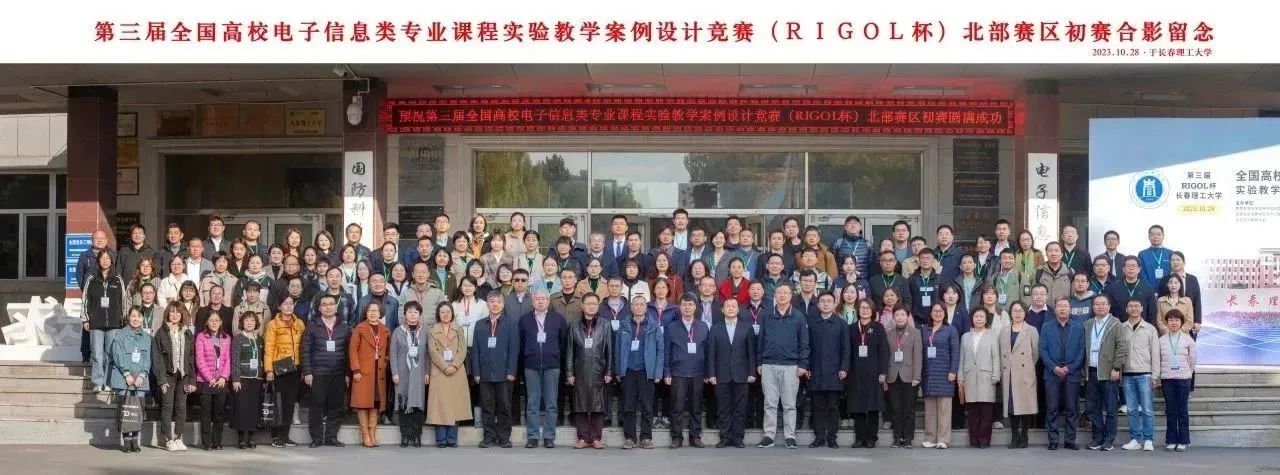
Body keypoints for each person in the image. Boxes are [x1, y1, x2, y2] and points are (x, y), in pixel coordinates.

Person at [756, 283, 809, 449]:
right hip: (769, 365)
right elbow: (760, 340)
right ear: (774, 295)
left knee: (789, 405)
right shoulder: (766, 315)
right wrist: (759, 362)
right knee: (769, 403)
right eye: (779, 292)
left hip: (791, 366)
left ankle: (790, 436)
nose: (782, 295)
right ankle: (769, 435)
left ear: (791, 296)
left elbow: (804, 342)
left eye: (786, 293)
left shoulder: (798, 316)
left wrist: (803, 364)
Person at [519, 290, 569, 448]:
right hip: (531, 366)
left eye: (543, 299)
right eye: (537, 299)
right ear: (532, 302)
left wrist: (556, 357)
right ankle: (533, 437)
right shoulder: (524, 320)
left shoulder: (558, 319)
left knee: (551, 403)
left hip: (552, 366)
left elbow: (563, 343)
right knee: (532, 403)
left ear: (549, 301)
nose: (540, 302)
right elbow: (521, 343)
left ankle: (549, 436)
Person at [470, 294, 520, 449]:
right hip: (485, 372)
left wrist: (512, 370)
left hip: (504, 373)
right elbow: (475, 350)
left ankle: (504, 437)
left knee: (504, 407)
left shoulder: (511, 323)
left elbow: (514, 349)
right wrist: (476, 372)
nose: (495, 304)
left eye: (499, 302)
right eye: (492, 301)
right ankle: (488, 437)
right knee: (487, 407)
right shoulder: (480, 324)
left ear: (503, 304)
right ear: (487, 304)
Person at [302, 294, 352, 448]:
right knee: (316, 406)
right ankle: (317, 438)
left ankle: (331, 437)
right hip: (318, 372)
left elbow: (349, 352)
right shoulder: (312, 325)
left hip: (338, 372)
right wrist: (307, 372)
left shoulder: (344, 326)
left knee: (336, 406)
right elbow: (305, 350)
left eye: (331, 304)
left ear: (336, 307)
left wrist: (347, 374)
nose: (328, 307)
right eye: (324, 304)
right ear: (319, 308)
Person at [567, 293, 615, 449]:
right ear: (582, 305)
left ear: (598, 306)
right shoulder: (574, 325)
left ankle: (595, 438)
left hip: (598, 369)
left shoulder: (605, 325)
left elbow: (610, 350)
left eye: (594, 303)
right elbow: (569, 351)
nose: (591, 306)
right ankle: (582, 437)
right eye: (588, 303)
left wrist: (609, 371)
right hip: (580, 369)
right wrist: (569, 372)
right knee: (580, 403)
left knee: (597, 404)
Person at [707, 298, 756, 448]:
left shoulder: (746, 327)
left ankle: (738, 438)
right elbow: (711, 353)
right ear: (722, 310)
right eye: (727, 306)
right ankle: (725, 437)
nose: (730, 308)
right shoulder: (715, 328)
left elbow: (751, 352)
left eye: (733, 306)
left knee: (740, 409)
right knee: (723, 408)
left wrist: (752, 372)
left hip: (741, 374)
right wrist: (711, 374)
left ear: (738, 309)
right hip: (721, 375)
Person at [662, 294, 709, 449]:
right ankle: (677, 437)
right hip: (678, 372)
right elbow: (667, 351)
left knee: (696, 407)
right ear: (679, 307)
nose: (687, 307)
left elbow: (707, 351)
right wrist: (667, 372)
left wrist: (707, 372)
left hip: (698, 372)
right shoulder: (671, 327)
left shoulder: (703, 326)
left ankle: (695, 437)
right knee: (677, 407)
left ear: (695, 307)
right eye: (684, 305)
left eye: (690, 304)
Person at [802, 293, 849, 448]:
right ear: (818, 304)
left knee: (833, 407)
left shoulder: (841, 324)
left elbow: (846, 349)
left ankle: (832, 438)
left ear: (835, 304)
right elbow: (806, 346)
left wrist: (844, 368)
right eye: (822, 301)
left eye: (829, 301)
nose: (826, 304)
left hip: (835, 372)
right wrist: (807, 366)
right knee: (818, 407)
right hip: (816, 371)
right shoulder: (811, 323)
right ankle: (819, 437)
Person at [1083, 294, 1129, 451]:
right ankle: (1097, 437)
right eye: (1097, 304)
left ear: (1109, 306)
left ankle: (1109, 439)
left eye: (1103, 304)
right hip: (1091, 371)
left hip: (1109, 372)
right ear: (1093, 307)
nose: (1100, 306)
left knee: (1110, 409)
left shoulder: (1116, 324)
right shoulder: (1088, 324)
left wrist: (1116, 368)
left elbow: (1122, 347)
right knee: (1091, 408)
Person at [1042, 297, 1084, 450]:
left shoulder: (1078, 327)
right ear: (1055, 310)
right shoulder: (1046, 327)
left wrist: (1070, 368)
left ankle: (1070, 440)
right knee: (1052, 408)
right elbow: (1043, 350)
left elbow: (1081, 351)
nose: (1062, 309)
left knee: (1071, 409)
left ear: (1070, 309)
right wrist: (1053, 367)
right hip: (1052, 373)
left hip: (1071, 373)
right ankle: (1053, 441)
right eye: (1059, 306)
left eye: (1065, 306)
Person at [151, 302, 195, 451]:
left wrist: (192, 380)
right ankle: (168, 439)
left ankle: (178, 437)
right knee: (167, 406)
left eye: (178, 312)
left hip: (183, 374)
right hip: (167, 374)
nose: (175, 315)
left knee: (181, 406)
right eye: (172, 312)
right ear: (167, 314)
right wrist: (161, 379)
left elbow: (191, 357)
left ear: (182, 315)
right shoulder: (161, 332)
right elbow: (157, 358)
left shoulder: (187, 332)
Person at [1120, 298, 1161, 452]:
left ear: (1142, 309)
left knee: (1147, 409)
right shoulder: (1121, 328)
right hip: (1127, 374)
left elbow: (1155, 353)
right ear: (1126, 309)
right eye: (1130, 306)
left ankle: (1148, 439)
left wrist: (1155, 375)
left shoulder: (1150, 329)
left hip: (1145, 374)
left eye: (1137, 306)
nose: (1134, 309)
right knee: (1131, 409)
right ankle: (1135, 439)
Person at [845, 298, 887, 447]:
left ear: (873, 311)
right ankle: (859, 437)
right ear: (858, 310)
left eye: (867, 308)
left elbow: (883, 351)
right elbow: (847, 351)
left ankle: (871, 438)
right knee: (858, 406)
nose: (864, 310)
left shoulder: (878, 327)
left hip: (874, 372)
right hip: (856, 372)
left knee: (873, 406)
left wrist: (883, 372)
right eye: (862, 308)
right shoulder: (851, 328)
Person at [109, 306, 151, 452]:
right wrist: (126, 374)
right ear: (128, 317)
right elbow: (118, 355)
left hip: (140, 379)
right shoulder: (120, 335)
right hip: (124, 378)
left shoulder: (147, 338)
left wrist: (142, 375)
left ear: (142, 318)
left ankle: (135, 440)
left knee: (138, 410)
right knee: (126, 410)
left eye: (139, 316)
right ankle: (127, 440)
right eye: (133, 316)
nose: (136, 319)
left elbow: (147, 358)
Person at [83, 249, 127, 391]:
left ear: (111, 261)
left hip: (114, 322)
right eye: (102, 258)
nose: (105, 261)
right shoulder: (91, 279)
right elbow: (85, 300)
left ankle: (108, 382)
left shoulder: (118, 279)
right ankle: (97, 382)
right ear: (98, 261)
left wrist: (124, 318)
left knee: (110, 354)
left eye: (108, 259)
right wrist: (85, 319)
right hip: (96, 322)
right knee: (97, 354)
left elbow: (123, 300)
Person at [264, 296, 305, 448]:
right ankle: (275, 436)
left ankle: (284, 435)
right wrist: (269, 370)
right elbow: (269, 347)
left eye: (291, 303)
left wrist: (304, 368)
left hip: (295, 367)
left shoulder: (299, 323)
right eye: (285, 304)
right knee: (278, 403)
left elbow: (303, 346)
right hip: (279, 367)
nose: (288, 306)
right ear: (279, 306)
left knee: (290, 403)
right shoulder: (273, 324)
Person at [1001, 300, 1041, 449]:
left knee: (1025, 405)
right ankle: (1014, 435)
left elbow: (1036, 353)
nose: (1017, 314)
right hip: (1009, 374)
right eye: (1014, 311)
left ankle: (1024, 434)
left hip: (1025, 374)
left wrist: (1028, 367)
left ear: (1025, 313)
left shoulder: (1031, 330)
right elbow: (1002, 352)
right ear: (1010, 313)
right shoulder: (1004, 330)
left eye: (1020, 311)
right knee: (1012, 406)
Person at [349, 303, 391, 448]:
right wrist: (356, 370)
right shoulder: (359, 328)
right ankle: (365, 433)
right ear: (365, 313)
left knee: (376, 402)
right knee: (362, 403)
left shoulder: (385, 330)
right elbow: (352, 350)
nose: (373, 313)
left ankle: (372, 432)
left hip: (379, 372)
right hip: (363, 371)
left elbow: (388, 351)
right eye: (370, 310)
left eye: (376, 310)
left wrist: (385, 362)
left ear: (381, 313)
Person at [959, 307, 1001, 449]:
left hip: (987, 377)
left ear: (986, 319)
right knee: (972, 412)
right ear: (972, 319)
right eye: (976, 316)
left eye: (981, 316)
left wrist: (996, 375)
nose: (978, 319)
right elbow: (962, 358)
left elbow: (996, 357)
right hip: (970, 377)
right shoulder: (965, 336)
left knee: (986, 412)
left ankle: (984, 440)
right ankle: (973, 440)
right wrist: (960, 377)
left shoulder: (992, 336)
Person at [920, 303, 960, 449]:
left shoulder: (950, 329)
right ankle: (930, 438)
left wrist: (953, 371)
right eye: (935, 311)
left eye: (941, 311)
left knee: (944, 409)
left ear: (945, 313)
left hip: (945, 373)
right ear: (930, 313)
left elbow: (955, 352)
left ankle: (943, 439)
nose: (938, 313)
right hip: (928, 373)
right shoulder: (924, 329)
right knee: (930, 409)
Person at [390, 301, 430, 448]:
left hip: (419, 373)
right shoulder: (397, 331)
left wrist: (427, 372)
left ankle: (417, 435)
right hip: (402, 373)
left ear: (419, 314)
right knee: (404, 404)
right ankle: (405, 436)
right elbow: (393, 354)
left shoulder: (425, 331)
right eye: (409, 312)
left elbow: (427, 354)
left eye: (415, 312)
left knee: (418, 405)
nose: (412, 315)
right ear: (405, 314)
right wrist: (395, 373)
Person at [884, 305, 921, 449]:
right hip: (893, 375)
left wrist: (917, 376)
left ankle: (908, 438)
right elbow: (886, 355)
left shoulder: (915, 333)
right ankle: (897, 437)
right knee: (896, 409)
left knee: (909, 409)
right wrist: (885, 375)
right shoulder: (889, 333)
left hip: (910, 376)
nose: (900, 318)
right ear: (893, 317)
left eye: (902, 315)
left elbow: (918, 356)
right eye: (897, 315)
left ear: (908, 316)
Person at [1159, 310, 1196, 452]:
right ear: (1166, 322)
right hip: (1167, 379)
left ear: (1181, 322)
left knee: (1182, 410)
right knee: (1170, 410)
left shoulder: (1188, 339)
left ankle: (1184, 441)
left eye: (1177, 320)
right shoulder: (1161, 340)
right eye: (1171, 320)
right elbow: (1158, 359)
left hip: (1183, 379)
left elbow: (1193, 360)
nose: (1174, 323)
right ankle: (1171, 440)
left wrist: (1187, 373)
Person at [194, 311, 231, 450]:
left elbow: (228, 360)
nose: (214, 323)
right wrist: (210, 378)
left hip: (221, 381)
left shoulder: (227, 338)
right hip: (206, 381)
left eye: (217, 320)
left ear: (221, 322)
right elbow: (200, 359)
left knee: (219, 414)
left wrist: (223, 377)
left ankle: (217, 441)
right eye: (211, 320)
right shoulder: (201, 337)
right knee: (206, 413)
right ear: (207, 322)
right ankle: (207, 442)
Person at [230, 312, 264, 449]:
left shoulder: (260, 339)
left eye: (252, 321)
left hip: (257, 378)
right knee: (241, 408)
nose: (249, 323)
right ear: (242, 323)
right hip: (242, 378)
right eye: (246, 321)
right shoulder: (238, 338)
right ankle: (241, 439)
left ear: (256, 323)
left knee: (253, 408)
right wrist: (235, 378)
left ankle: (251, 438)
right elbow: (235, 359)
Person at [1159, 251, 1202, 334]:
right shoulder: (1164, 280)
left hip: (1188, 322)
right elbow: (1160, 302)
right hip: (1168, 324)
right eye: (1173, 260)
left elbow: (1197, 300)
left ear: (1184, 262)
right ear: (1169, 263)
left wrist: (1197, 321)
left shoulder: (1192, 279)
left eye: (1178, 260)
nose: (1175, 262)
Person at [1105, 256, 1157, 324]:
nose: (1131, 268)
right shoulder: (1113, 288)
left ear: (1139, 269)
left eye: (1133, 266)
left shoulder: (1148, 288)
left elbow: (1152, 312)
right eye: (1128, 266)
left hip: (1142, 327)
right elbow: (1109, 311)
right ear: (1123, 269)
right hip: (1119, 327)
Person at [907, 248, 941, 327]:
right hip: (916, 320)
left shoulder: (939, 279)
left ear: (933, 261)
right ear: (919, 260)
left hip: (935, 318)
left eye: (928, 258)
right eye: (922, 258)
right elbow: (909, 299)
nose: (925, 261)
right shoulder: (911, 279)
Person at [1014, 230, 1045, 298]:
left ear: (1032, 240)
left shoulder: (1038, 254)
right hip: (1018, 286)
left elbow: (1042, 272)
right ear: (1019, 241)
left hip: (1034, 286)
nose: (1025, 242)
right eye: (1022, 240)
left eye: (1028, 239)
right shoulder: (1016, 254)